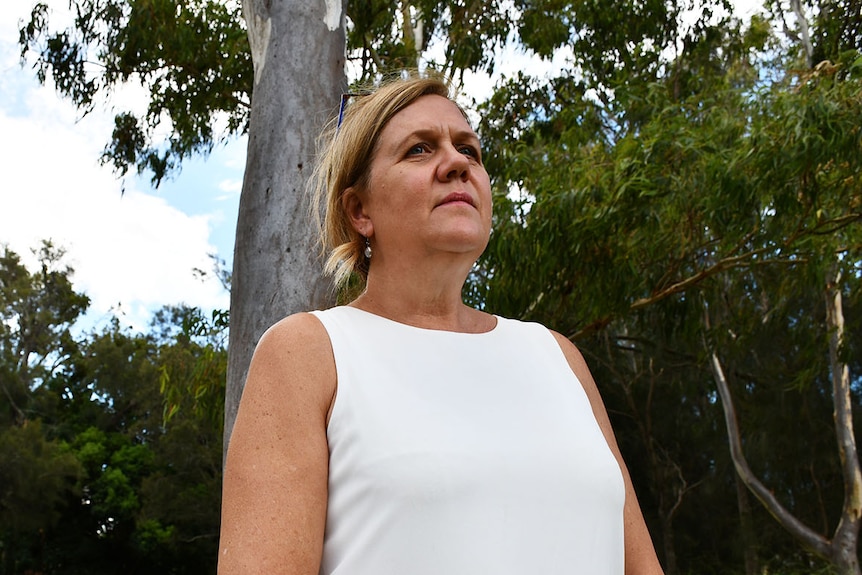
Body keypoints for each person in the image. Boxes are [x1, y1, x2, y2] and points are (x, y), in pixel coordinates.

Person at [218, 74, 664, 575]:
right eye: (419, 150)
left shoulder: (557, 355)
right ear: (359, 210)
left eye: (470, 150)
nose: (457, 164)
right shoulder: (309, 352)